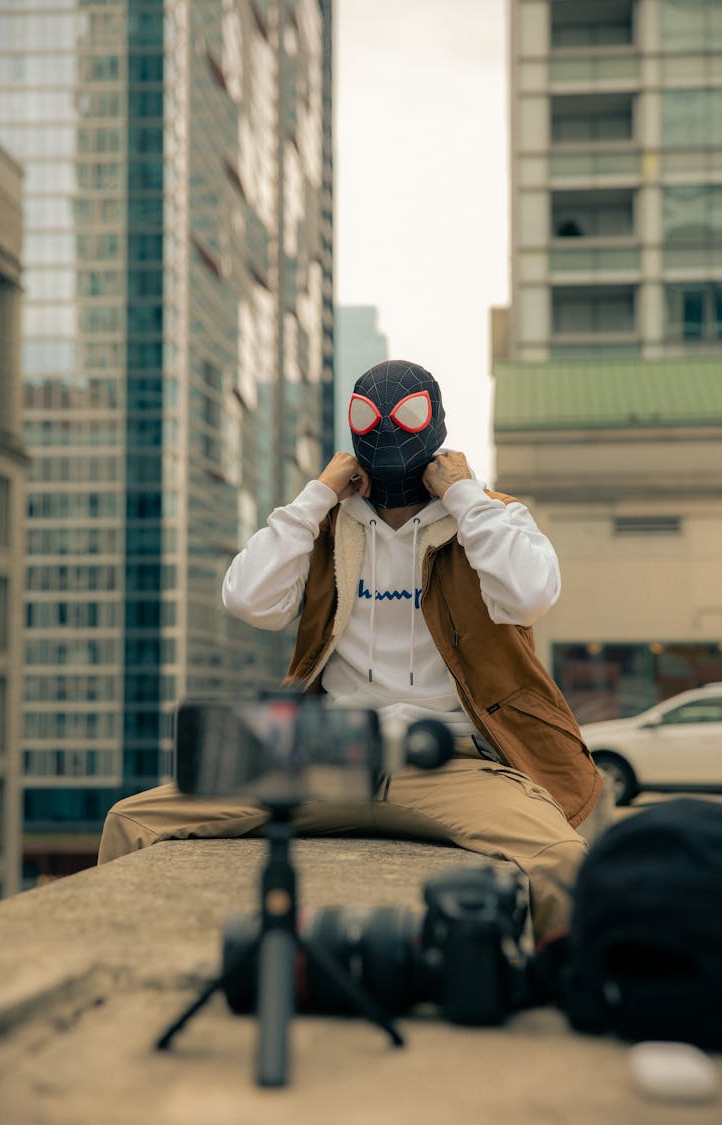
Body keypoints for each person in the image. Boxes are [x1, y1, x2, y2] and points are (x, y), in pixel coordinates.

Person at [98, 360, 606, 942]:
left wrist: (463, 494)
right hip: (326, 755)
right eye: (368, 417)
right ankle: (115, 975)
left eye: (407, 414)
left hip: (449, 761)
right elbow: (247, 599)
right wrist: (317, 495)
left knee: (563, 860)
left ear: (435, 423)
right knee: (132, 820)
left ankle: (559, 989)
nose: (388, 430)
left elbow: (529, 594)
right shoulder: (327, 524)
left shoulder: (491, 518)